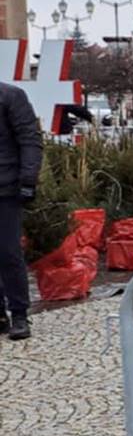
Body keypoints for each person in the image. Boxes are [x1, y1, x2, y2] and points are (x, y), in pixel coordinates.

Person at [0, 81, 42, 339]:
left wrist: (28, 181)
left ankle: (19, 314)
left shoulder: (10, 96)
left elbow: (30, 140)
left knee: (7, 252)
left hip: (6, 188)